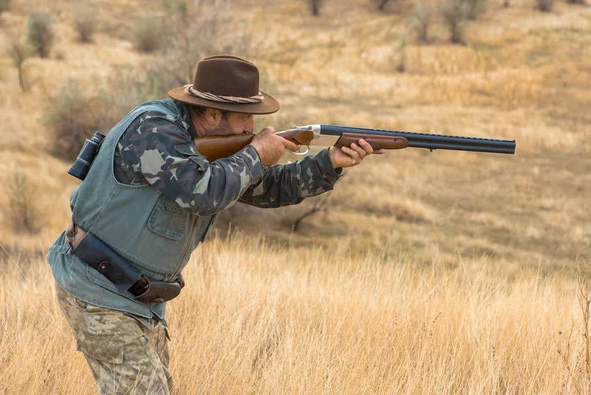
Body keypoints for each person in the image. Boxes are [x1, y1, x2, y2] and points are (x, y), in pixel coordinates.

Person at [48, 55, 384, 394]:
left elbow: (268, 189)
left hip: (139, 298)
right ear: (211, 114)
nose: (252, 129)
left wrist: (330, 163)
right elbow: (200, 193)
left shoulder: (214, 146)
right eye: (245, 118)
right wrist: (254, 155)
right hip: (96, 288)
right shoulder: (152, 129)